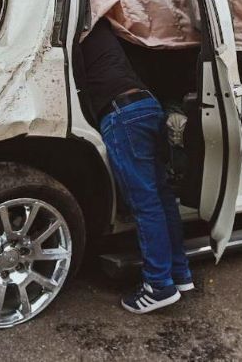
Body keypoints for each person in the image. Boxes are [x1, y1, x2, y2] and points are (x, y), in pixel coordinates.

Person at [77, 19, 192, 313]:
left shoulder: (75, 27)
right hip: (147, 105)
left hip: (122, 114)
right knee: (163, 199)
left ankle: (159, 286)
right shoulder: (104, 30)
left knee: (145, 203)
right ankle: (180, 274)